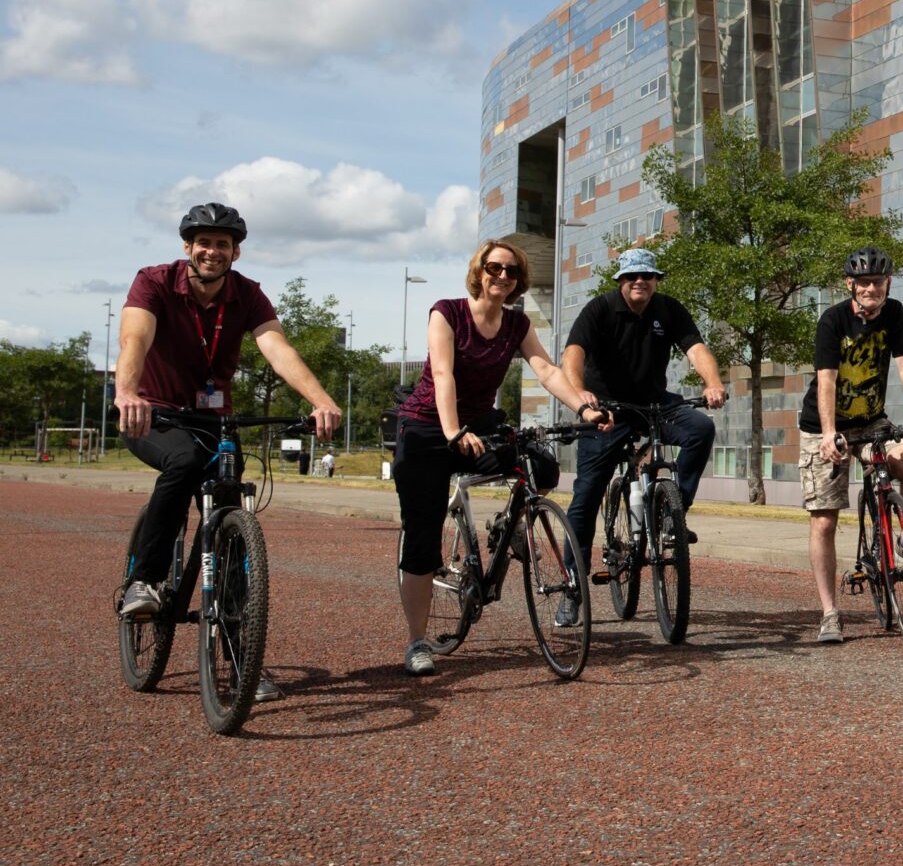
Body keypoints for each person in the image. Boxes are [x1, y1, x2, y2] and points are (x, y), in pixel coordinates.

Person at [114, 202, 343, 702]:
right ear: (187, 248)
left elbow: (277, 348)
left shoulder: (247, 295)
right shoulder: (153, 281)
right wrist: (126, 391)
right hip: (152, 412)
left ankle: (242, 658)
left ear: (235, 251)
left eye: (222, 243)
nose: (212, 251)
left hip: (213, 418)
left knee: (230, 511)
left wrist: (321, 400)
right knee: (184, 463)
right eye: (203, 242)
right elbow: (135, 335)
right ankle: (145, 581)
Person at [393, 239, 608, 676]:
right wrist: (454, 432)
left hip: (481, 424)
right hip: (428, 427)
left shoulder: (516, 324)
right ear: (479, 271)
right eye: (494, 269)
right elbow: (442, 373)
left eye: (511, 272)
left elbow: (546, 370)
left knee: (541, 465)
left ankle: (511, 524)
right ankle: (418, 642)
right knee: (421, 539)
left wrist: (584, 408)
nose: (502, 277)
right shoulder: (447, 312)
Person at [561, 247, 727, 624]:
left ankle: (673, 512)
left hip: (654, 403)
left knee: (701, 428)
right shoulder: (599, 310)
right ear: (620, 280)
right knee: (586, 495)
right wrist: (579, 396)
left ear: (656, 280)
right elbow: (573, 354)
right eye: (632, 276)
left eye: (648, 276)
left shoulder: (668, 310)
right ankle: (573, 586)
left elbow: (696, 349)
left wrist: (713, 382)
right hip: (607, 410)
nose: (641, 281)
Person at [800, 247, 903, 644]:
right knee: (824, 520)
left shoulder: (894, 314)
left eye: (878, 281)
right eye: (863, 282)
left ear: (887, 283)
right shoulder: (833, 320)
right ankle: (829, 613)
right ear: (850, 285)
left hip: (872, 421)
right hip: (826, 425)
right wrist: (827, 434)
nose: (871, 288)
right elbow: (826, 380)